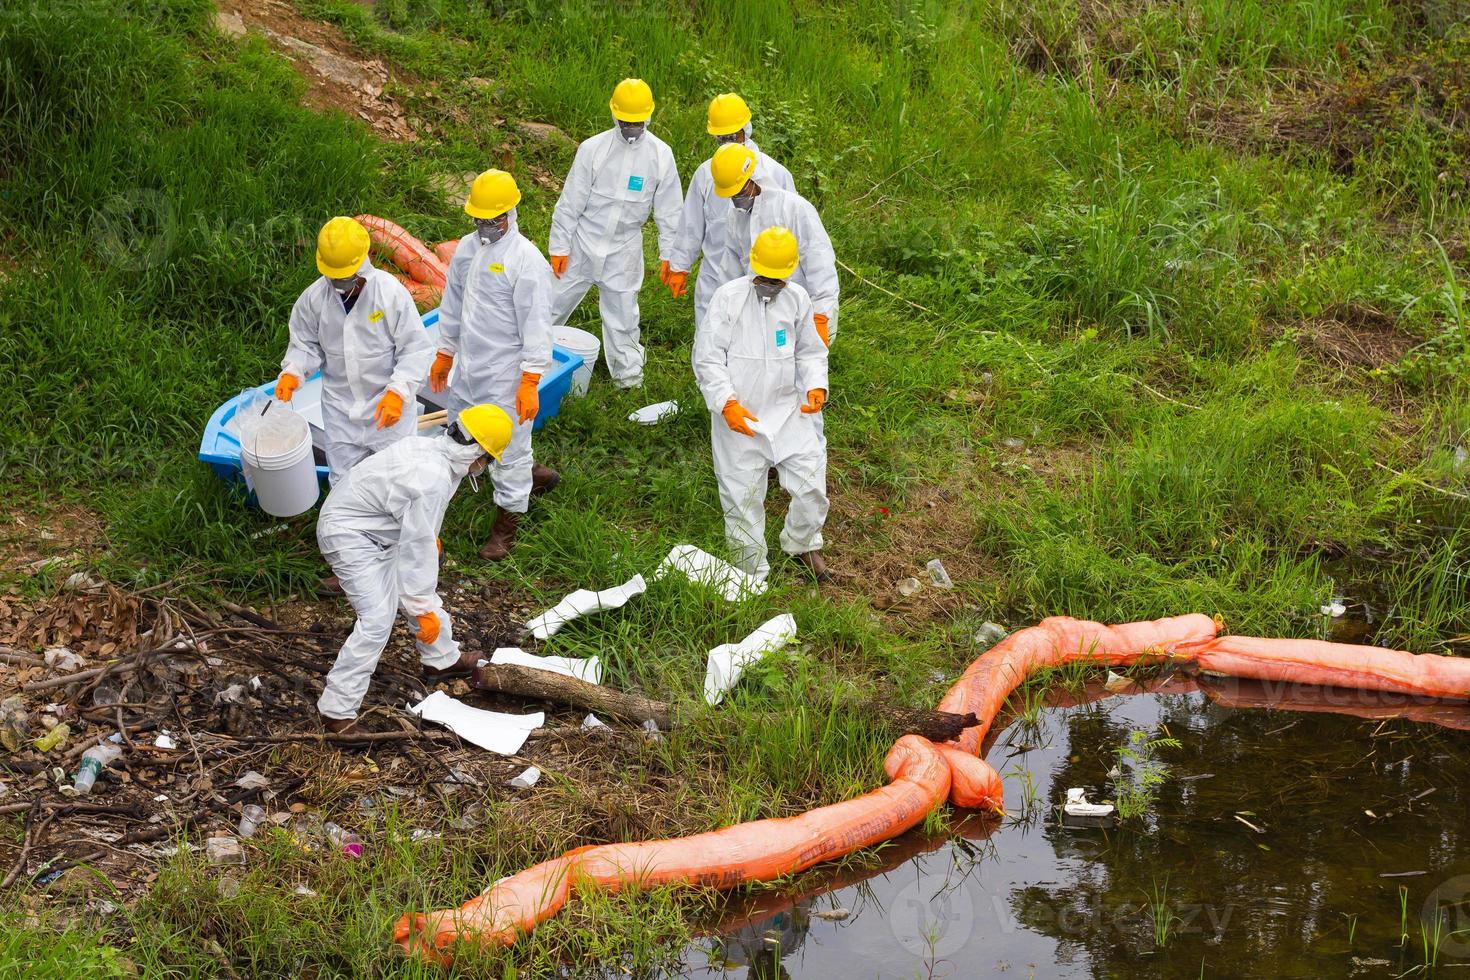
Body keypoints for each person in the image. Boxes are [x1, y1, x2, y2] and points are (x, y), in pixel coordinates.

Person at [316, 404, 514, 733]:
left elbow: (414, 528)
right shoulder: (432, 478)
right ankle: (336, 711)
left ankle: (442, 660)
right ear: (477, 453)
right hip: (349, 535)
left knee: (417, 589)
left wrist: (425, 538)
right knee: (378, 620)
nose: (484, 467)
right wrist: (421, 608)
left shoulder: (430, 448)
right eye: (487, 459)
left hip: (378, 527)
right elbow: (416, 553)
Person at [431, 169, 560, 561]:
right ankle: (525, 480)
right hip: (469, 368)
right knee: (459, 435)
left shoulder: (526, 262)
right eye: (480, 219)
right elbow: (452, 304)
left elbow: (538, 325)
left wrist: (530, 378)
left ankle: (507, 525)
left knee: (510, 450)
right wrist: (444, 352)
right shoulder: (468, 251)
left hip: (506, 375)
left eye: (494, 219)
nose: (487, 226)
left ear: (511, 214)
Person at [693, 226, 831, 582]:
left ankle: (802, 542)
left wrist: (815, 386)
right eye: (764, 279)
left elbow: (810, 351)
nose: (770, 285)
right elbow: (707, 358)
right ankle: (750, 571)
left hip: (788, 410)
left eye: (777, 280)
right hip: (741, 416)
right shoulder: (728, 298)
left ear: (788, 275)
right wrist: (726, 404)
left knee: (812, 485)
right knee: (742, 498)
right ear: (753, 268)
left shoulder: (798, 299)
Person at [275, 216, 433, 485]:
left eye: (347, 278)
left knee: (400, 478)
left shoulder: (390, 294)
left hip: (387, 406)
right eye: (335, 278)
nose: (341, 285)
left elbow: (415, 348)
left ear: (363, 264)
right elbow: (304, 343)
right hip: (340, 412)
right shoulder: (313, 300)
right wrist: (294, 370)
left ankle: (409, 527)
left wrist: (399, 391)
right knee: (344, 484)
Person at [547, 78, 682, 389]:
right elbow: (570, 202)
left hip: (624, 249)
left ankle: (628, 378)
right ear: (614, 115)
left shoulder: (661, 155)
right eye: (625, 121)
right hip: (582, 243)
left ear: (648, 116)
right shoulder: (593, 149)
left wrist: (670, 258)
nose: (630, 128)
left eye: (636, 122)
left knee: (623, 317)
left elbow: (670, 212)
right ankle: (524, 357)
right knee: (548, 303)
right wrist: (559, 245)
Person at [664, 93, 796, 330]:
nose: (727, 143)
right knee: (708, 346)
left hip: (763, 283)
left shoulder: (776, 175)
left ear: (747, 129)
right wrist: (679, 266)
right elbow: (691, 225)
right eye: (721, 138)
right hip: (714, 280)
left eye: (733, 136)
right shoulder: (706, 174)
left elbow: (793, 233)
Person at [695, 143, 840, 347]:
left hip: (798, 310)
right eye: (732, 195)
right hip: (758, 314)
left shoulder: (795, 209)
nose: (737, 200)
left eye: (740, 192)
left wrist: (821, 315)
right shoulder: (737, 218)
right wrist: (723, 312)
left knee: (801, 371)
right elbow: (730, 270)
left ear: (754, 178)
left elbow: (820, 265)